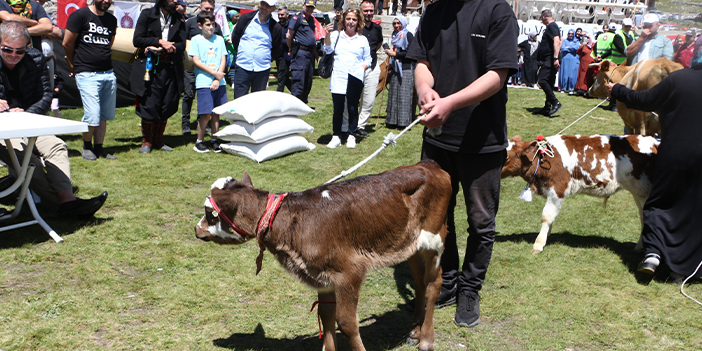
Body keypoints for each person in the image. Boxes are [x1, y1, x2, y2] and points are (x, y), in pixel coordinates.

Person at [406, 0, 517, 328]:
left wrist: (451, 103)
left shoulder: (497, 10)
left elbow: (498, 75)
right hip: (438, 138)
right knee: (437, 217)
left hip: (482, 142)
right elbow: (422, 60)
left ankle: (470, 289)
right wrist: (425, 88)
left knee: (481, 222)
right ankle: (448, 280)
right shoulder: (434, 12)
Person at [606, 36, 702, 282]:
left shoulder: (679, 80)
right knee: (694, 210)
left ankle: (652, 253)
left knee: (659, 203)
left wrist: (617, 90)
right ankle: (682, 270)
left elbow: (643, 100)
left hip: (675, 154)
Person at [0, 21, 108, 218]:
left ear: (28, 47)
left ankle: (66, 198)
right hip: (3, 127)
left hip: (30, 119)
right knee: (27, 159)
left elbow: (45, 96)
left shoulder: (36, 59)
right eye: (7, 50)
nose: (13, 55)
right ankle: (62, 204)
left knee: (57, 146)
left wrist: (25, 115)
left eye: (19, 51)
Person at [63, 0, 118, 161]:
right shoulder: (79, 16)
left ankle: (99, 147)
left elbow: (109, 43)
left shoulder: (111, 19)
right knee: (92, 113)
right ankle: (87, 146)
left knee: (103, 115)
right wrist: (73, 66)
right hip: (86, 73)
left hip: (108, 73)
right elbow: (67, 43)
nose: (106, 1)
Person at [129, 0, 186, 154]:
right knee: (149, 104)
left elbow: (182, 45)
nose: (175, 1)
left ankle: (158, 140)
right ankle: (146, 141)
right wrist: (159, 42)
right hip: (150, 68)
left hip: (170, 68)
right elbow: (137, 39)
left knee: (167, 104)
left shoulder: (179, 18)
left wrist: (171, 47)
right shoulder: (148, 15)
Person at [322, 9, 371, 149]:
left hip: (355, 77)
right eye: (348, 19)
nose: (351, 22)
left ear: (358, 22)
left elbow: (368, 58)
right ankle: (336, 136)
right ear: (344, 21)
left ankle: (351, 135)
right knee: (337, 109)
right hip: (339, 76)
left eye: (354, 20)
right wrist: (327, 34)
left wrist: (362, 68)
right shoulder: (337, 36)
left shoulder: (362, 40)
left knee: (352, 108)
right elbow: (328, 50)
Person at [181, 0, 222, 136]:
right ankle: (186, 123)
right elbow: (183, 42)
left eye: (212, 8)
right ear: (200, 8)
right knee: (189, 94)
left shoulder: (215, 27)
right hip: (192, 65)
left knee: (209, 96)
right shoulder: (190, 23)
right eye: (207, 8)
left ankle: (207, 123)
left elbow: (220, 49)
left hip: (211, 69)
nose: (209, 10)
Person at [342, 0, 383, 137]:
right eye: (366, 10)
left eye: (371, 10)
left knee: (369, 100)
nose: (369, 13)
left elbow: (379, 43)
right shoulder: (354, 27)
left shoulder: (377, 28)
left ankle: (360, 125)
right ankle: (346, 125)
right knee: (350, 99)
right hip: (354, 68)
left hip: (372, 67)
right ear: (361, 11)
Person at [189, 11, 227, 153]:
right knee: (206, 113)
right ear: (200, 25)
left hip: (219, 82)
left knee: (217, 112)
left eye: (213, 24)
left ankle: (214, 139)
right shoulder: (196, 40)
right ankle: (199, 140)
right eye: (207, 25)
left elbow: (223, 58)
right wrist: (213, 74)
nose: (211, 27)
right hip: (204, 82)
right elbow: (196, 61)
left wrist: (218, 78)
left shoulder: (219, 39)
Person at [230, 0, 283, 98]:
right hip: (243, 66)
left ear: (273, 9)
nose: (263, 7)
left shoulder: (276, 27)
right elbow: (236, 37)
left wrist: (266, 58)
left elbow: (277, 48)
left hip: (262, 69)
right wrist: (243, 52)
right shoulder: (245, 19)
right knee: (239, 101)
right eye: (262, 3)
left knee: (258, 102)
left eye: (267, 5)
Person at [384, 15, 414, 129]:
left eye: (399, 23)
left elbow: (411, 53)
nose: (396, 25)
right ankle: (392, 121)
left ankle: (403, 123)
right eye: (394, 23)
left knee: (404, 96)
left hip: (406, 68)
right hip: (396, 67)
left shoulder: (408, 35)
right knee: (394, 94)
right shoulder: (395, 35)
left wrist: (396, 54)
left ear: (403, 23)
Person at [286, 0, 317, 104]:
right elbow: (289, 36)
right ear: (303, 6)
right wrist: (291, 49)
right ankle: (294, 105)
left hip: (310, 54)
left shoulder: (311, 19)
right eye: (308, 6)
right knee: (299, 80)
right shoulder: (297, 17)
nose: (309, 9)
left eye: (312, 7)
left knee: (308, 80)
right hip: (300, 53)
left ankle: (303, 103)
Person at [535, 9, 561, 117]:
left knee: (542, 80)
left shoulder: (552, 26)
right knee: (549, 82)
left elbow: (557, 41)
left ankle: (555, 102)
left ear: (544, 17)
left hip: (550, 59)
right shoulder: (552, 27)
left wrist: (555, 58)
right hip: (549, 58)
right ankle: (547, 107)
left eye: (541, 18)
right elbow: (561, 40)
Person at [275, 6, 291, 93]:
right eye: (279, 15)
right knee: (283, 76)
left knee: (282, 76)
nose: (280, 16)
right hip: (278, 55)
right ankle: (298, 93)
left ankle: (278, 94)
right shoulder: (276, 26)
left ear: (287, 15)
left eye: (282, 14)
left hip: (287, 54)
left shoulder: (291, 26)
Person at [558, 29, 579, 93]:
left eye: (572, 34)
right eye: (569, 33)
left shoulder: (576, 41)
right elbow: (562, 48)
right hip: (565, 59)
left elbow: (576, 48)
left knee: (572, 73)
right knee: (564, 73)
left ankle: (571, 88)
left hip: (573, 59)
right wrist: (571, 48)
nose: (570, 35)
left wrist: (568, 47)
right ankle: (563, 88)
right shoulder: (565, 40)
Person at [574, 31, 595, 95]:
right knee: (583, 76)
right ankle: (581, 89)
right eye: (585, 38)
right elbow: (578, 52)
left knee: (590, 76)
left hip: (592, 63)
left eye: (588, 38)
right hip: (584, 63)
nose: (587, 39)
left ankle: (590, 89)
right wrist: (582, 45)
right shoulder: (583, 46)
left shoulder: (593, 45)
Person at [225, 9, 239, 88]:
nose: (237, 18)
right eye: (236, 16)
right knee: (230, 65)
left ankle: (234, 81)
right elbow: (225, 35)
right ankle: (230, 80)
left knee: (235, 65)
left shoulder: (238, 24)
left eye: (238, 16)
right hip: (229, 49)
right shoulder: (227, 25)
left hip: (236, 48)